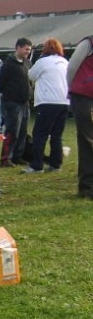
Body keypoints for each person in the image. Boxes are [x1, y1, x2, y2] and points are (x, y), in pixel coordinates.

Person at [23, 38, 69, 174]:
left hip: (48, 102)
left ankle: (36, 165)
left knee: (39, 134)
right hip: (64, 101)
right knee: (57, 135)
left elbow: (31, 75)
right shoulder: (65, 62)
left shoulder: (43, 61)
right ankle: (56, 164)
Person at [0, 37, 33, 167]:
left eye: (29, 50)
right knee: (12, 131)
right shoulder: (8, 64)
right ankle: (5, 158)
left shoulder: (27, 63)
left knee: (23, 131)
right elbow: (1, 84)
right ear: (18, 47)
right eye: (26, 49)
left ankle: (18, 156)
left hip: (25, 103)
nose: (27, 52)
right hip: (12, 103)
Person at [67, 35, 93, 198]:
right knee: (88, 140)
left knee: (87, 141)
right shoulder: (88, 42)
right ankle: (88, 186)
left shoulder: (88, 42)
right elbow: (71, 68)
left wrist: (73, 88)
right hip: (85, 96)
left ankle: (87, 186)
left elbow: (72, 68)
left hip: (83, 94)